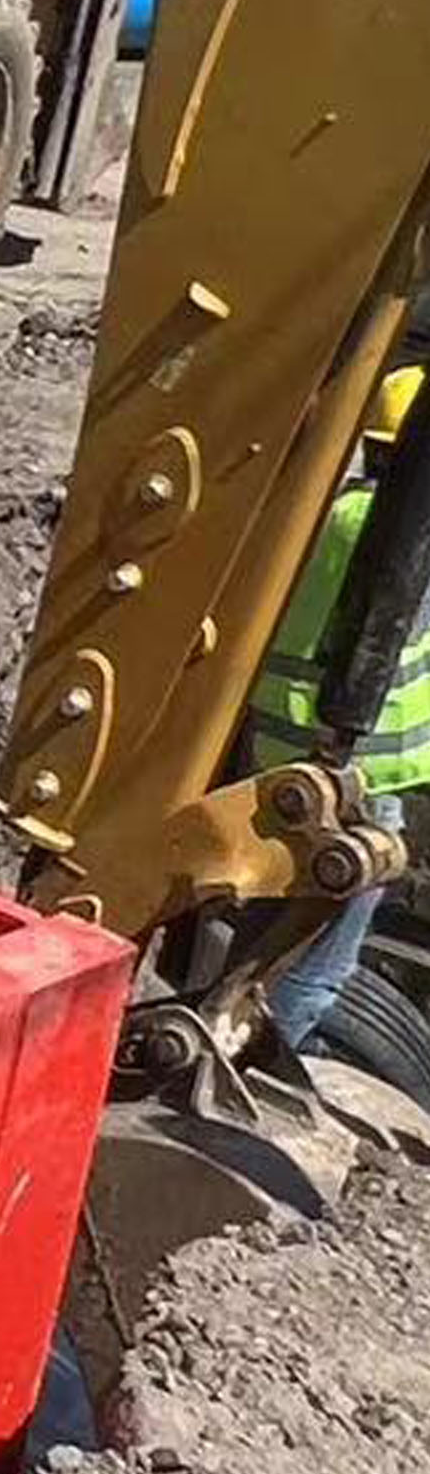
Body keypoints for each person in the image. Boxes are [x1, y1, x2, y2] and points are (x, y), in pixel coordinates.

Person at [247, 362, 430, 1058]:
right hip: (362, 775)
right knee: (320, 951)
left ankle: (252, 1036)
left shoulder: (319, 513)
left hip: (276, 750)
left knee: (271, 915)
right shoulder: (404, 534)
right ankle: (272, 1060)